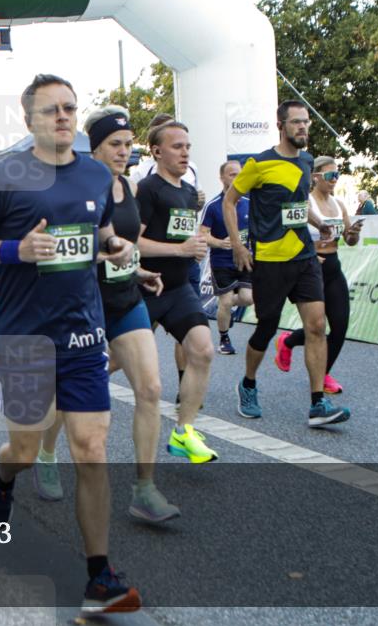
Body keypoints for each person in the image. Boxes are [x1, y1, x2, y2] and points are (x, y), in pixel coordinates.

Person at [0, 74, 141, 613]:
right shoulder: (5, 177)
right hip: (24, 337)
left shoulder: (95, 173)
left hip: (82, 331)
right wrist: (16, 250)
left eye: (69, 108)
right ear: (29, 119)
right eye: (51, 110)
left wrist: (114, 243)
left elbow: (100, 229)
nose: (62, 116)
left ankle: (100, 577)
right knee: (25, 449)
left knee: (92, 447)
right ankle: (3, 479)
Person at [226, 100, 351, 427]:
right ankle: (248, 384)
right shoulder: (259, 164)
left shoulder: (307, 161)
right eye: (296, 122)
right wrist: (238, 245)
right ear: (281, 126)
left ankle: (317, 403)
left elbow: (298, 203)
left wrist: (319, 223)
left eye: (306, 122)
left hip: (305, 257)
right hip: (270, 260)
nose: (303, 127)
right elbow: (230, 201)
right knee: (267, 327)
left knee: (316, 326)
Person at [84, 105, 178, 522]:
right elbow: (66, 250)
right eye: (114, 144)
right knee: (73, 391)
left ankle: (144, 489)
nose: (124, 151)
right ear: (95, 148)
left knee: (151, 388)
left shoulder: (129, 187)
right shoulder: (78, 189)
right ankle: (45, 451)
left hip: (125, 298)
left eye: (127, 144)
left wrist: (138, 272)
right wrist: (106, 257)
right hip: (85, 303)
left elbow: (125, 243)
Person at [135, 120, 218, 463]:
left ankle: (183, 432)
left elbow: (179, 234)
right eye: (177, 147)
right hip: (144, 288)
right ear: (157, 152)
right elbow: (132, 242)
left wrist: (194, 246)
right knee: (109, 363)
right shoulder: (147, 189)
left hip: (179, 288)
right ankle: (63, 399)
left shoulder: (188, 192)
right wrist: (180, 250)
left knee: (203, 350)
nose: (185, 153)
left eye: (187, 147)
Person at [274, 156, 362, 395]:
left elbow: (349, 240)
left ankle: (309, 360)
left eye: (337, 175)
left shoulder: (339, 204)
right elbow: (289, 233)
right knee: (317, 327)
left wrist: (353, 233)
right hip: (311, 268)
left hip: (333, 267)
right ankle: (309, 365)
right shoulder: (306, 203)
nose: (335, 180)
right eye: (330, 175)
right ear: (315, 177)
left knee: (340, 326)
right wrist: (310, 255)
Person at [201, 160, 254, 355]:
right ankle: (224, 339)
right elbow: (203, 235)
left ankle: (225, 312)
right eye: (232, 174)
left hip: (245, 259)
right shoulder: (213, 205)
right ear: (222, 177)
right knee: (225, 300)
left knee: (248, 298)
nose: (237, 178)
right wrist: (219, 242)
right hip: (221, 261)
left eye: (239, 174)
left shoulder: (249, 204)